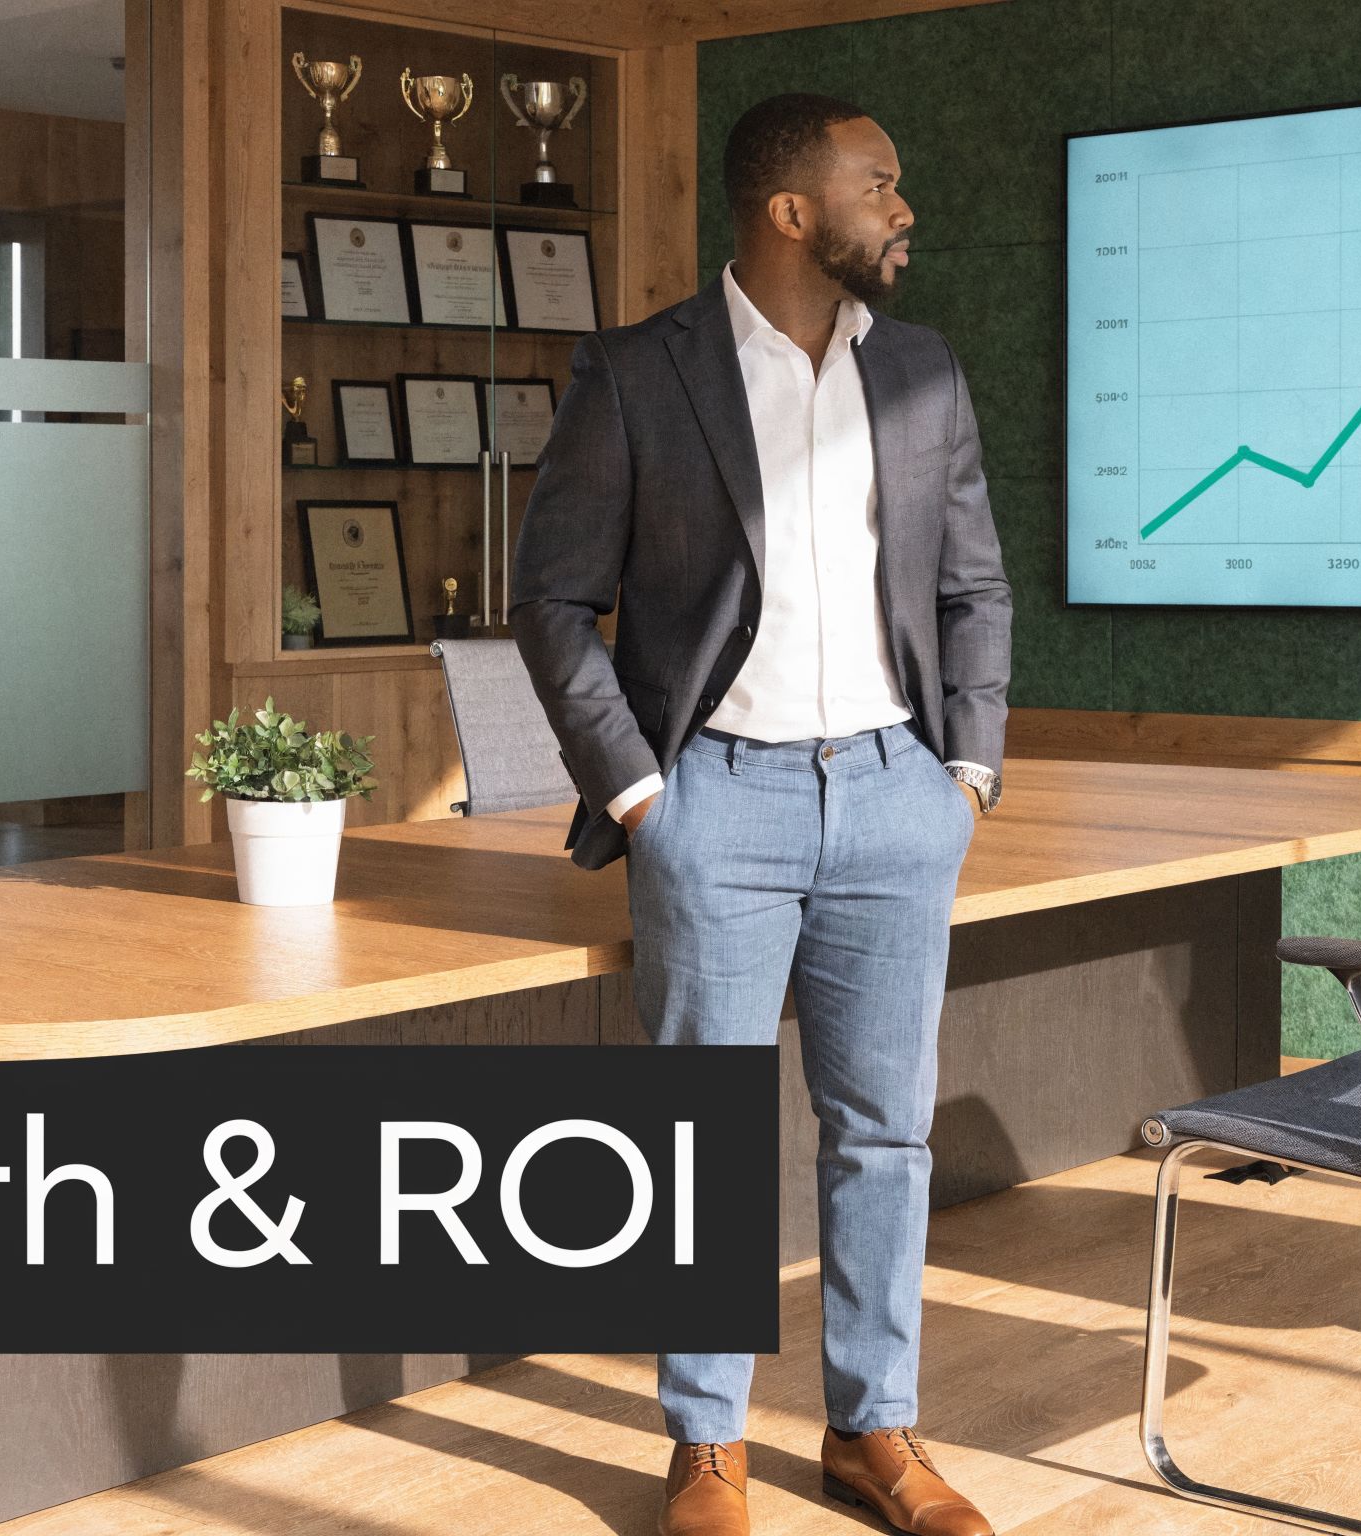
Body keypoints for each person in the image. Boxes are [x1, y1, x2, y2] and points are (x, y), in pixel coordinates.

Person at [510, 91, 1011, 1536]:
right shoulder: (637, 372)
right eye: (881, 180)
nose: (902, 205)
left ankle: (875, 1435)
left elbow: (974, 585)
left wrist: (961, 769)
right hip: (712, 801)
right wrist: (642, 788)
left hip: (895, 798)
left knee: (883, 1134)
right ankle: (707, 1449)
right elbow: (549, 600)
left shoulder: (920, 372)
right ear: (792, 209)